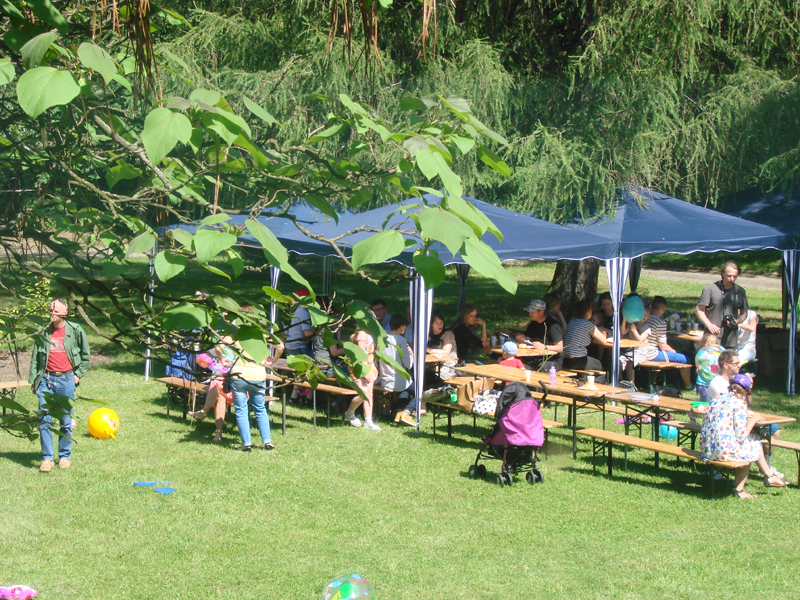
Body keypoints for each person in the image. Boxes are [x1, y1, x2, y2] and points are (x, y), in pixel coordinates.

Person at [700, 374, 788, 498]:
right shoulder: (739, 404)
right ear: (746, 391)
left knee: (751, 443)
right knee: (753, 444)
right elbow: (741, 436)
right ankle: (742, 489)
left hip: (707, 449)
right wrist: (754, 419)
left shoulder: (717, 399)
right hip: (721, 452)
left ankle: (769, 476)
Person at [29, 298, 91, 472]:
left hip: (66, 380)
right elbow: (35, 358)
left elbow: (86, 356)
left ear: (65, 313)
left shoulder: (75, 330)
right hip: (45, 380)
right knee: (44, 419)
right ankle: (47, 459)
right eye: (50, 310)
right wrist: (34, 380)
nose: (52, 313)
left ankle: (64, 456)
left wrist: (77, 374)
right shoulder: (43, 331)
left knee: (65, 419)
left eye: (56, 311)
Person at [228, 306, 284, 451]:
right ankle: (267, 442)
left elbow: (218, 346)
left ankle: (246, 444)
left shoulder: (235, 332)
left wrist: (222, 358)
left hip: (239, 376)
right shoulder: (261, 334)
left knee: (241, 410)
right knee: (260, 409)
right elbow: (280, 347)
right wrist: (273, 360)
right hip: (258, 376)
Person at [395, 310, 456, 426]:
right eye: (437, 323)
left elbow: (446, 352)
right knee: (413, 377)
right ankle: (406, 407)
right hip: (431, 367)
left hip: (446, 368)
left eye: (441, 322)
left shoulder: (447, 334)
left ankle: (410, 408)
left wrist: (424, 348)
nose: (440, 325)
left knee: (420, 379)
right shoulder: (427, 335)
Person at [696, 260, 748, 350]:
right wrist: (709, 325)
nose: (732, 279)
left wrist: (736, 321)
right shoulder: (710, 289)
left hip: (731, 338)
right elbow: (698, 309)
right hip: (712, 338)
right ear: (722, 273)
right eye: (729, 276)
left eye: (735, 276)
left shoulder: (740, 291)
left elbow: (744, 313)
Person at [646, 296, 692, 389]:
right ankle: (688, 385)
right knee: (685, 359)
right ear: (663, 308)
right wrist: (674, 351)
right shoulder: (660, 322)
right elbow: (663, 346)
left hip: (644, 351)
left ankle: (654, 381)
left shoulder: (646, 318)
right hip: (652, 354)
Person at [344, 324, 381, 430]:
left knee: (369, 394)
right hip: (359, 368)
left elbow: (370, 353)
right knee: (363, 394)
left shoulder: (370, 334)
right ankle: (349, 412)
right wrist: (365, 372)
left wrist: (373, 366)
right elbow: (360, 354)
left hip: (368, 367)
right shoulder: (362, 334)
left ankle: (368, 421)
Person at [377, 314, 414, 409]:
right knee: (420, 391)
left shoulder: (381, 340)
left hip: (385, 380)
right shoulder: (401, 340)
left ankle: (398, 408)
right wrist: (412, 355)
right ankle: (407, 410)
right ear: (401, 326)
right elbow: (409, 365)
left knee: (405, 390)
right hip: (398, 381)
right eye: (405, 327)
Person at [562, 299, 608, 373]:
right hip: (578, 359)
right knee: (600, 365)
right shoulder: (588, 325)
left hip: (565, 359)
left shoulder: (571, 322)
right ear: (589, 311)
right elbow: (603, 340)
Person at [285, 288, 314, 402]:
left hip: (290, 346)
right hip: (298, 347)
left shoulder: (297, 310)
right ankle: (308, 398)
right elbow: (307, 334)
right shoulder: (304, 313)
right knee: (314, 368)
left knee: (300, 372)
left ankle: (294, 397)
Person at [519, 298, 563, 371]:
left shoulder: (553, 325)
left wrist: (544, 347)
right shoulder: (533, 323)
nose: (529, 314)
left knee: (541, 367)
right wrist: (520, 338)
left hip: (552, 360)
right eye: (529, 312)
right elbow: (527, 339)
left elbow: (560, 348)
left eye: (532, 312)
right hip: (536, 357)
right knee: (520, 364)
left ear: (541, 312)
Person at [695, 334, 724, 402]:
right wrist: (698, 370)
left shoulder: (719, 355)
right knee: (706, 401)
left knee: (716, 400)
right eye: (707, 342)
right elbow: (698, 369)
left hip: (715, 383)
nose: (710, 344)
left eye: (712, 343)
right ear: (703, 344)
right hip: (703, 383)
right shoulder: (701, 354)